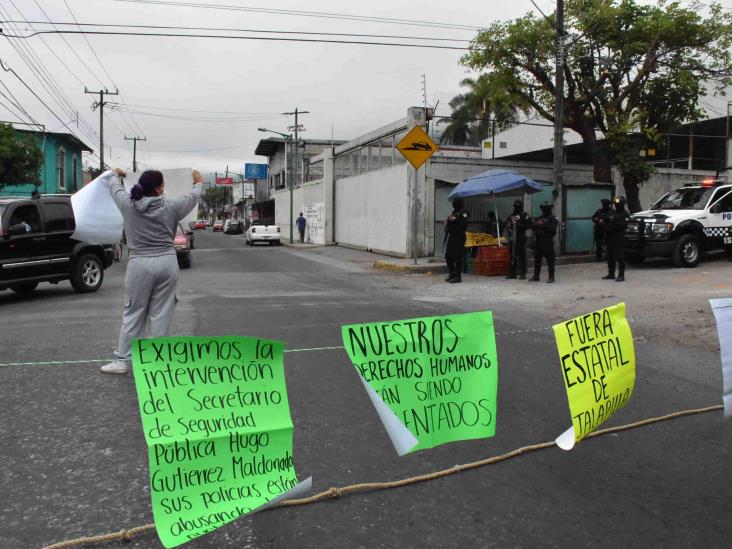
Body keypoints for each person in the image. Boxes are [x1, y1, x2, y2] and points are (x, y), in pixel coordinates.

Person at [100, 168, 204, 374]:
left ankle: (122, 360)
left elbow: (114, 187)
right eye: (163, 184)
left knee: (134, 311)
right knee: (161, 313)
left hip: (139, 263)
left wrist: (115, 173)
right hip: (167, 261)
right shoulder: (172, 206)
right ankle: (157, 362)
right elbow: (193, 197)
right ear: (158, 188)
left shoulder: (128, 205)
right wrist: (198, 182)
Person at [603, 196, 631, 282]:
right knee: (610, 255)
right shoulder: (612, 212)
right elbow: (605, 219)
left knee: (620, 255)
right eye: (616, 203)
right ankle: (611, 273)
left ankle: (621, 275)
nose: (617, 205)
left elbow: (623, 225)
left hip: (619, 237)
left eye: (618, 203)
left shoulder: (625, 214)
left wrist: (613, 222)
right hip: (609, 236)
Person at [529, 202, 559, 283]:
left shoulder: (553, 218)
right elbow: (532, 226)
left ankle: (551, 277)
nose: (544, 210)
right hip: (538, 240)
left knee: (550, 260)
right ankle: (536, 276)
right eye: (543, 208)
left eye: (546, 208)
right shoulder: (539, 218)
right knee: (537, 259)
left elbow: (552, 229)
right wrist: (536, 223)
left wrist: (543, 224)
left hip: (547, 240)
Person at [444, 196, 469, 283]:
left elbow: (465, 223)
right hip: (452, 236)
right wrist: (448, 221)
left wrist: (456, 219)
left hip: (459, 237)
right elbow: (450, 221)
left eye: (455, 202)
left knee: (458, 257)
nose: (454, 204)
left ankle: (458, 277)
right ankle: (452, 274)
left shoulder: (464, 212)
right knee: (448, 256)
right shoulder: (454, 212)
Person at [504, 199, 532, 279]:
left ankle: (522, 273)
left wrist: (520, 226)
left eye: (518, 206)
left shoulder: (524, 215)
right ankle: (513, 272)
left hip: (520, 237)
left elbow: (530, 225)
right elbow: (507, 225)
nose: (516, 207)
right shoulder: (511, 216)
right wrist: (510, 235)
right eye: (515, 206)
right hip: (512, 238)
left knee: (521, 255)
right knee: (512, 256)